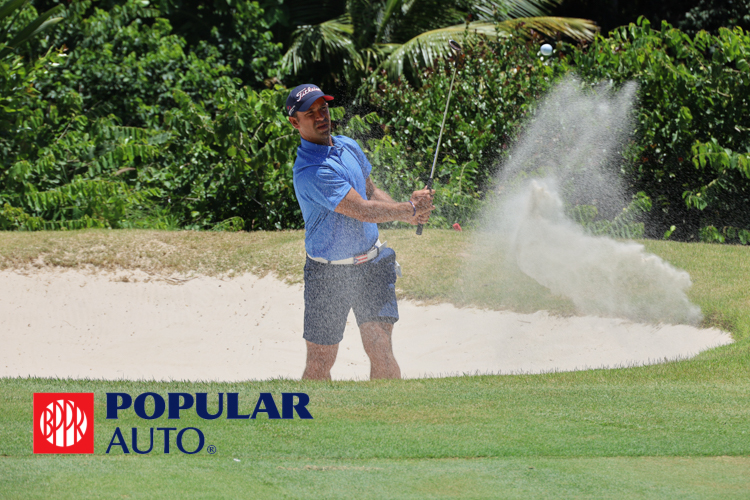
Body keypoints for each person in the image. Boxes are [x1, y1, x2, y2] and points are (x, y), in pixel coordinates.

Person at [286, 84, 434, 381]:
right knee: (320, 360)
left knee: (380, 346)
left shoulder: (347, 145)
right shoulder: (311, 171)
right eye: (310, 113)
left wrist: (410, 215)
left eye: (323, 108)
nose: (320, 116)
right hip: (327, 274)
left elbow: (371, 191)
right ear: (294, 122)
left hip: (372, 264)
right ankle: (313, 412)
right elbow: (362, 210)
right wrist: (408, 209)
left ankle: (390, 411)